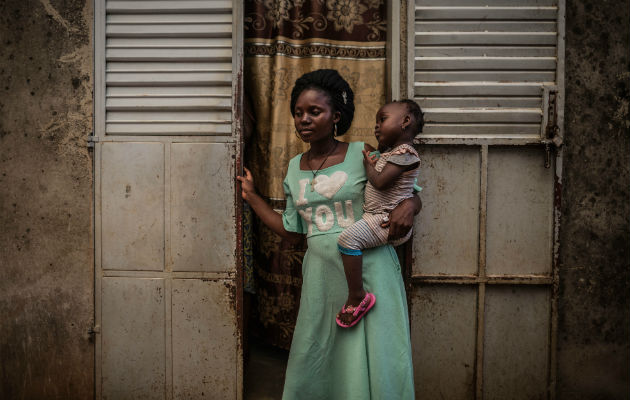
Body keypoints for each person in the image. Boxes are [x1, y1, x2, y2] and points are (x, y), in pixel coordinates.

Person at [237, 69, 417, 399]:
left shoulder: (361, 153)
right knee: (321, 356)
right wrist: (251, 197)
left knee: (377, 356)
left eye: (314, 112)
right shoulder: (293, 167)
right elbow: (292, 231)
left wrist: (413, 205)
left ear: (336, 116)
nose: (304, 119)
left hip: (370, 273)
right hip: (321, 277)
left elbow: (405, 189)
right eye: (298, 112)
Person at [335, 99, 423, 328]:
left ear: (405, 121)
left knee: (347, 240)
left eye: (382, 119)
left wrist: (369, 167)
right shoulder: (393, 153)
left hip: (385, 218)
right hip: (374, 215)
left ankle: (358, 296)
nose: (376, 126)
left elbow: (381, 182)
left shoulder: (406, 152)